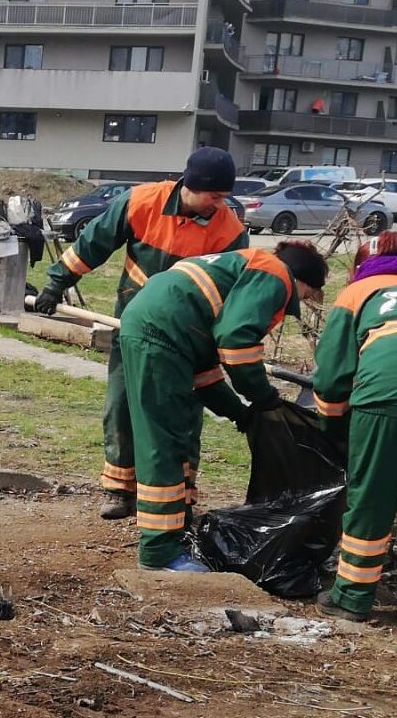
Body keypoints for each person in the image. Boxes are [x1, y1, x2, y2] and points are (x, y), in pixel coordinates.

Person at [34, 147, 248, 519]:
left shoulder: (228, 231)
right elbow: (93, 243)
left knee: (182, 412)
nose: (219, 205)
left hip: (188, 337)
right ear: (192, 186)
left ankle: (179, 491)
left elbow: (232, 292)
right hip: (133, 328)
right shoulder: (141, 202)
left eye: (224, 198)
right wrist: (56, 283)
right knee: (122, 404)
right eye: (214, 196)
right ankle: (119, 489)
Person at [119, 242, 327, 572]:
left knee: (176, 437)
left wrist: (239, 413)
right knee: (162, 442)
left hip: (165, 330)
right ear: (302, 281)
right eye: (305, 295)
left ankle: (175, 527)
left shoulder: (242, 269)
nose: (298, 301)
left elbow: (207, 375)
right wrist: (262, 396)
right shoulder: (275, 275)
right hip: (161, 335)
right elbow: (237, 342)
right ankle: (159, 551)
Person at [313, 232, 397, 622]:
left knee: (372, 498)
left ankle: (352, 597)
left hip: (386, 394)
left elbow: (332, 378)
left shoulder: (359, 293)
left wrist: (332, 428)